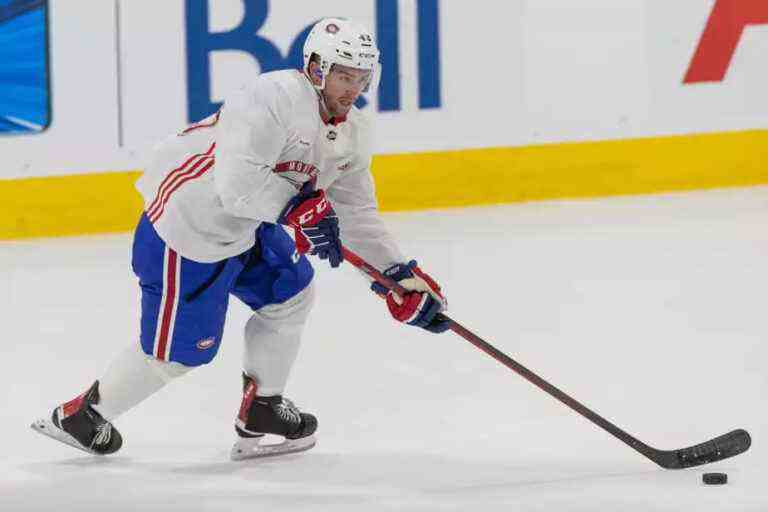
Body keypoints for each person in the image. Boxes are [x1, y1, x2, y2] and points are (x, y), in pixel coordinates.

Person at [31, 17, 450, 460]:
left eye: (361, 77)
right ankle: (82, 417)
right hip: (187, 227)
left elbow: (356, 213)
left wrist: (396, 275)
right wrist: (294, 209)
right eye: (344, 75)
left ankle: (263, 407)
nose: (353, 87)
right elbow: (235, 185)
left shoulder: (352, 132)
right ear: (316, 68)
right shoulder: (272, 97)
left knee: (291, 294)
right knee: (179, 355)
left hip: (250, 225)